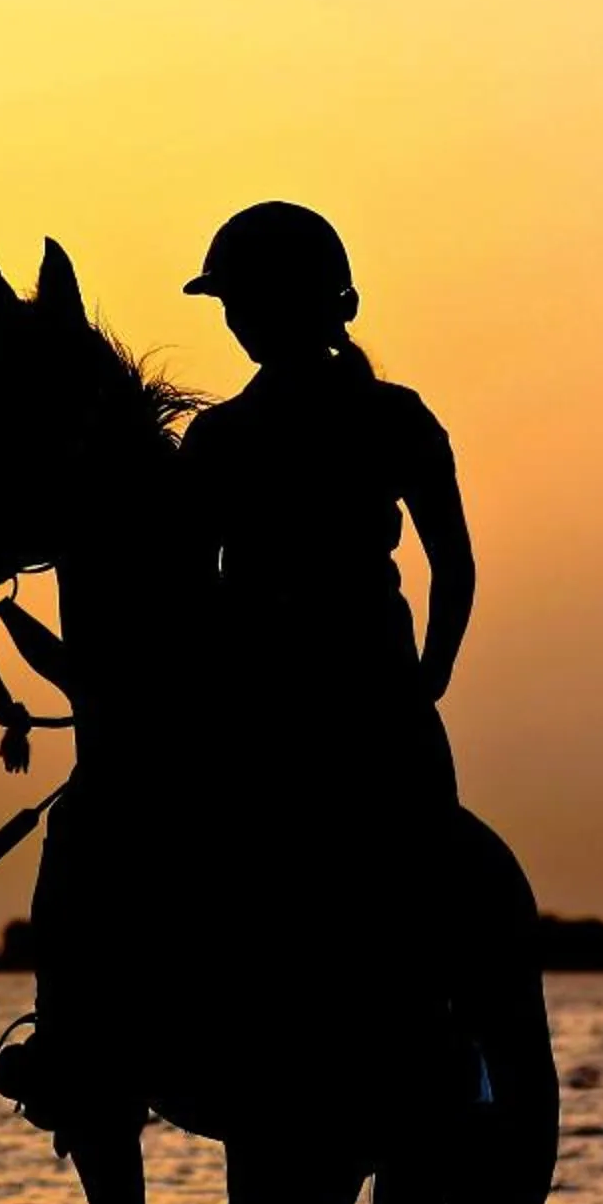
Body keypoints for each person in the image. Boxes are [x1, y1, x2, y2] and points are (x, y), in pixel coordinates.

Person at [175, 203, 474, 1080]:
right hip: (296, 694)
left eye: (247, 301)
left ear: (311, 303)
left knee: (425, 877)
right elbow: (186, 585)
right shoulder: (218, 436)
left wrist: (425, 683)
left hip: (347, 692)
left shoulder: (388, 419)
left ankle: (450, 1046)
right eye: (231, 304)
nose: (237, 321)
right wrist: (427, 680)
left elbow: (453, 565)